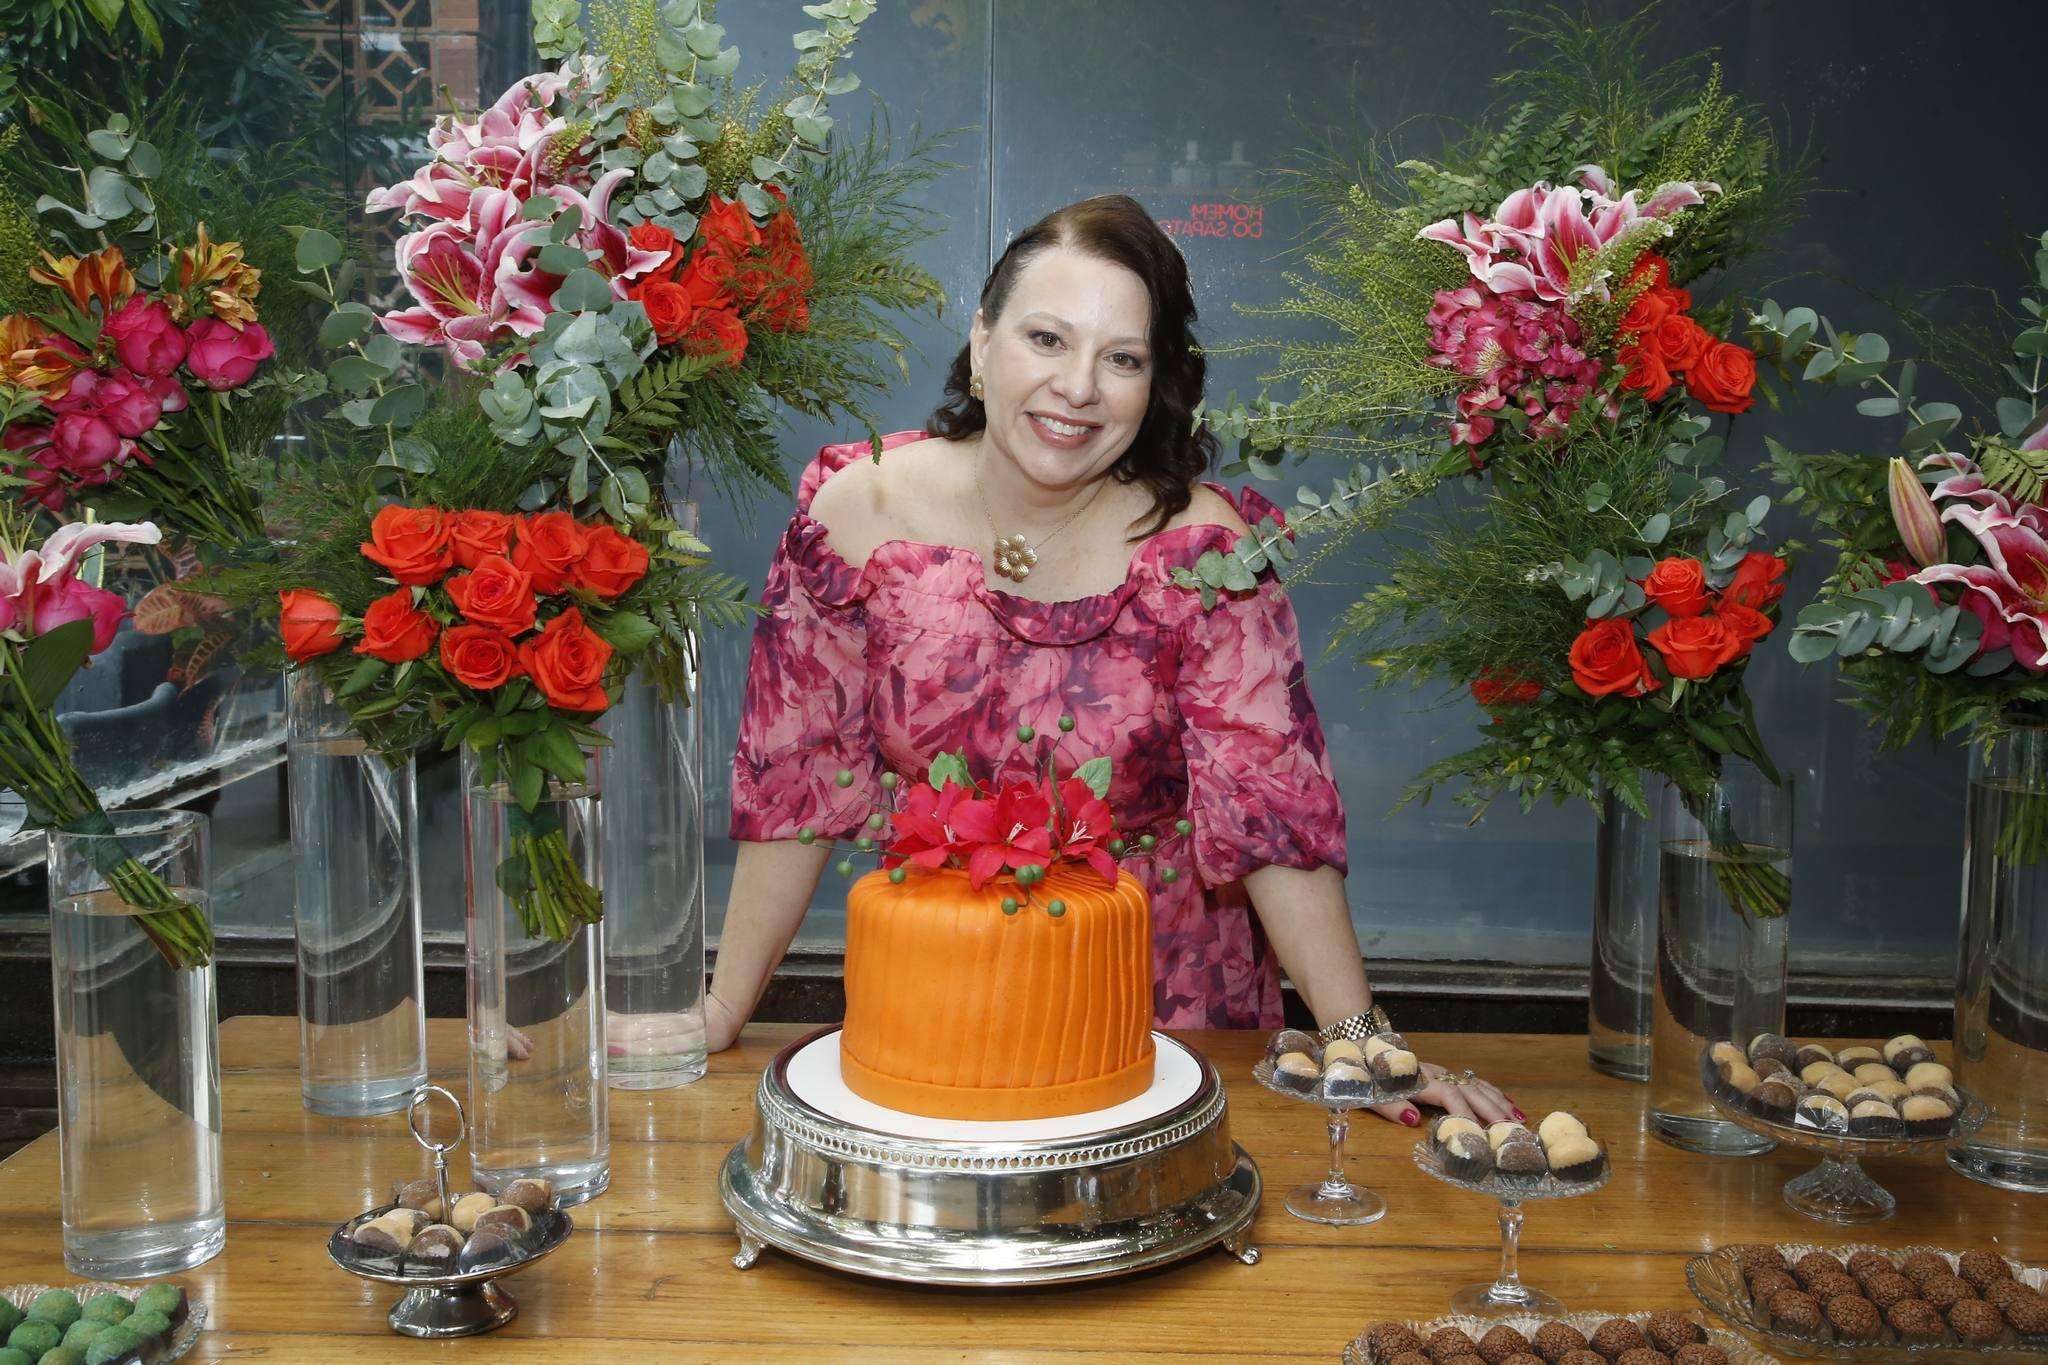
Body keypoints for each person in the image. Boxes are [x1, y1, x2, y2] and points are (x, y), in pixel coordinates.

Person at [707, 195, 1513, 1126]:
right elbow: (797, 786)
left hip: (1165, 1010)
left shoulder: (1206, 552)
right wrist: (723, 1008)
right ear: (982, 341)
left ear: (1157, 382)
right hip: (938, 1006)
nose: (1079, 387)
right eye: (1046, 339)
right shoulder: (858, 513)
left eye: (1122, 358)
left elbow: (1270, 812)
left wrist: (1361, 1040)